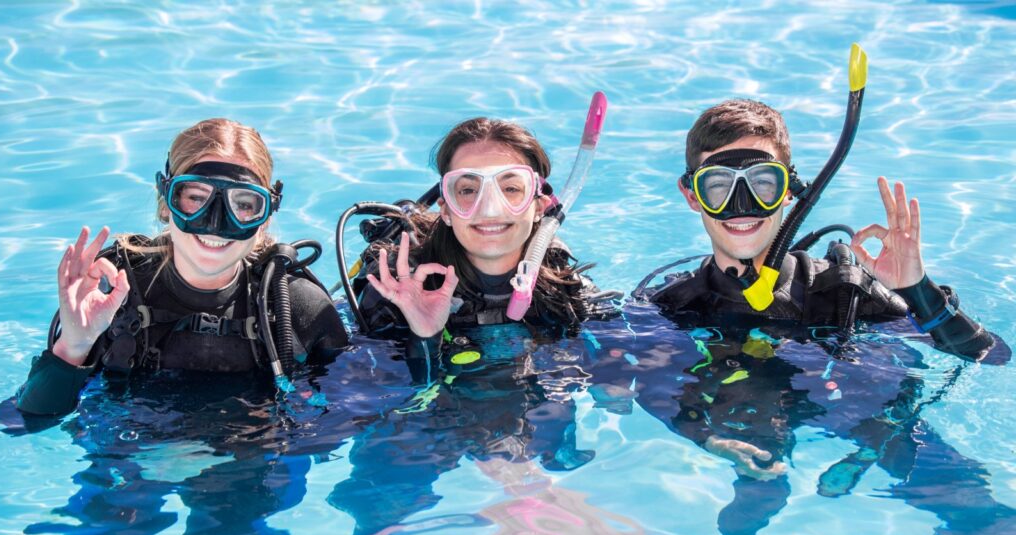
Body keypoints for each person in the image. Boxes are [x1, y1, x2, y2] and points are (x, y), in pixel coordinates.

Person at [14, 118, 348, 417]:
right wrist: (74, 345)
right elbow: (24, 419)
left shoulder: (297, 307)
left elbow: (354, 415)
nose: (215, 224)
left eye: (244, 205)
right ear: (166, 203)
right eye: (196, 198)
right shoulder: (113, 293)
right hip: (131, 462)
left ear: (266, 217)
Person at [646, 98, 1002, 363]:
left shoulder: (844, 294)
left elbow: (989, 355)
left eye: (763, 184)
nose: (742, 206)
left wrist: (918, 290)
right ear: (692, 196)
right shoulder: (668, 308)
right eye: (719, 186)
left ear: (789, 190)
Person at [356, 117, 616, 377]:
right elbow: (371, 398)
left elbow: (626, 369)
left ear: (539, 206)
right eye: (468, 190)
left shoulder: (567, 290)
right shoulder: (398, 289)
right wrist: (425, 337)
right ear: (445, 210)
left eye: (511, 188)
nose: (490, 209)